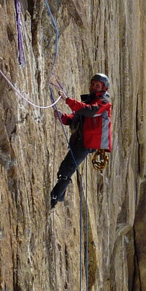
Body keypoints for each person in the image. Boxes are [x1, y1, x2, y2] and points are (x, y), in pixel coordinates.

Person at [50, 73, 113, 208]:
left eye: (98, 85)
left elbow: (89, 111)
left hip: (86, 143)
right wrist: (63, 117)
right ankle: (57, 197)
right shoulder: (90, 101)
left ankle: (54, 198)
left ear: (103, 89)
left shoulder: (104, 103)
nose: (94, 87)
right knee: (65, 168)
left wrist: (68, 100)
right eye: (93, 84)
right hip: (80, 140)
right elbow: (76, 117)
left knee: (66, 169)